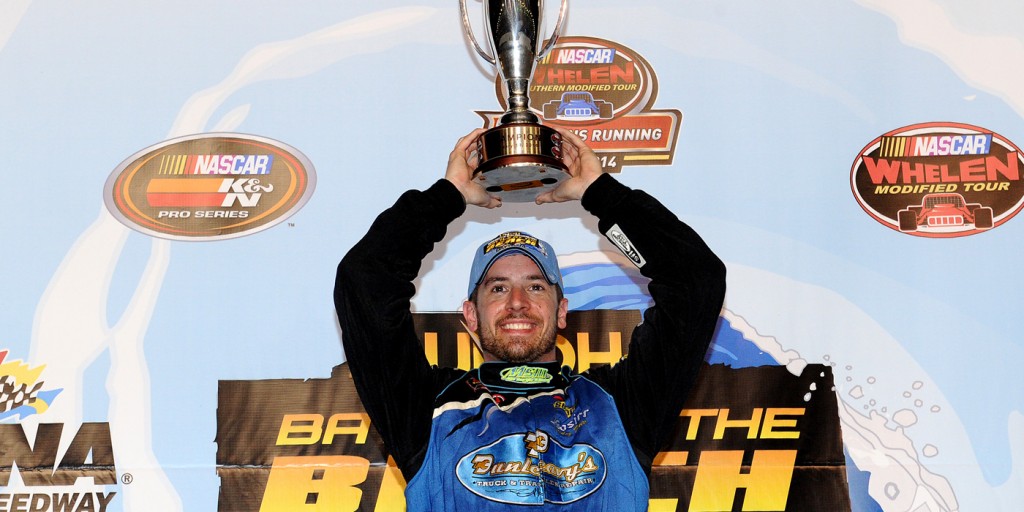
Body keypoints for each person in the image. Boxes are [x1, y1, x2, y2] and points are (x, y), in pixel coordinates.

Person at [334, 127, 726, 510]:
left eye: (536, 287)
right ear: (470, 315)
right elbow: (365, 280)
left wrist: (601, 193)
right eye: (498, 288)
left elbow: (695, 279)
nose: (518, 303)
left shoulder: (621, 404)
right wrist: (445, 198)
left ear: (561, 312)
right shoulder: (424, 407)